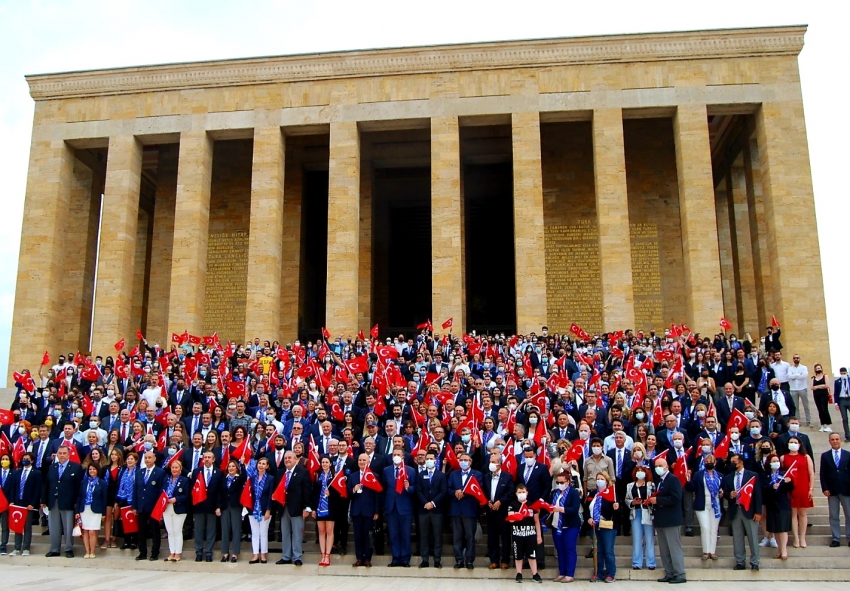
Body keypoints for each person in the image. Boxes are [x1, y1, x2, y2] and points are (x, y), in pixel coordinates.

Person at [722, 452, 763, 570]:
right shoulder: (728, 477)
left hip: (749, 510)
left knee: (752, 537)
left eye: (734, 462)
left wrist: (758, 511)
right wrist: (729, 494)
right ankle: (740, 561)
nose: (732, 464)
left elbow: (757, 495)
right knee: (737, 537)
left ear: (741, 462)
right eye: (731, 462)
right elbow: (724, 492)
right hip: (735, 509)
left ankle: (755, 561)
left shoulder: (752, 475)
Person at [649, 457, 686, 583]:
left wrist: (658, 500)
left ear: (666, 466)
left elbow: (676, 497)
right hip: (661, 519)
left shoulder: (673, 479)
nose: (658, 468)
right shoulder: (660, 481)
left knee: (674, 548)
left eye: (660, 465)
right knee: (664, 550)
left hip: (671, 520)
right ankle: (669, 572)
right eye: (656, 466)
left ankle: (679, 573)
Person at [42, 445, 83, 558]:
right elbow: (47, 484)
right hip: (53, 500)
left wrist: (77, 502)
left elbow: (79, 486)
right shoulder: (52, 467)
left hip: (68, 502)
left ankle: (69, 549)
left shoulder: (76, 467)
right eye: (60, 453)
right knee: (54, 526)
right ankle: (54, 549)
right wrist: (44, 500)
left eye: (64, 453)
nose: (62, 455)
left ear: (69, 454)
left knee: (68, 526)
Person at [274, 450, 311, 566]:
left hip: (297, 508)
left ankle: (297, 557)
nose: (287, 460)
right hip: (283, 507)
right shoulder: (280, 473)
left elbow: (307, 491)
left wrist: (306, 507)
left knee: (297, 533)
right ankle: (286, 556)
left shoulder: (303, 472)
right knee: (285, 533)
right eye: (285, 458)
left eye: (290, 458)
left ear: (296, 459)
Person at [447, 452, 483, 569]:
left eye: (466, 460)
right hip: (456, 509)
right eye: (461, 459)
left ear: (470, 462)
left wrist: (464, 493)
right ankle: (459, 560)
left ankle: (469, 560)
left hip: (470, 509)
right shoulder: (453, 474)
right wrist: (454, 492)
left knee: (470, 536)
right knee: (457, 537)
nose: (463, 462)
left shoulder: (477, 474)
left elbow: (479, 489)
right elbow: (448, 488)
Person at [686, 453, 722, 561]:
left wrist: (722, 491)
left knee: (714, 529)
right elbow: (691, 487)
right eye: (707, 462)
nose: (709, 463)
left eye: (711, 462)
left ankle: (712, 551)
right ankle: (706, 551)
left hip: (715, 504)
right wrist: (688, 480)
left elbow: (723, 487)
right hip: (702, 503)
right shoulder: (698, 474)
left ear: (715, 463)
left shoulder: (720, 475)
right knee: (705, 527)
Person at [483, 451, 514, 570]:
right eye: (490, 462)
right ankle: (494, 560)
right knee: (492, 537)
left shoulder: (507, 477)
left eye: (493, 462)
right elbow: (483, 491)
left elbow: (511, 493)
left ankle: (505, 560)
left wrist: (500, 501)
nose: (491, 464)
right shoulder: (486, 476)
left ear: (499, 464)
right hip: (491, 511)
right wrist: (488, 501)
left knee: (505, 537)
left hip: (503, 511)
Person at [132, 450, 166, 561]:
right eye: (146, 458)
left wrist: (159, 507)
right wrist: (134, 506)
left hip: (154, 507)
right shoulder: (139, 472)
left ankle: (155, 553)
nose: (147, 460)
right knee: (141, 530)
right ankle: (142, 552)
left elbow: (162, 490)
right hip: (141, 506)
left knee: (154, 530)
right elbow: (136, 490)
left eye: (149, 457)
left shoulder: (160, 472)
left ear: (154, 459)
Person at [781, 435, 814, 548]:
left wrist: (811, 488)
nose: (793, 444)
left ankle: (802, 538)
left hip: (803, 487)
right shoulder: (783, 458)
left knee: (803, 514)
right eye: (791, 442)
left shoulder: (806, 457)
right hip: (790, 489)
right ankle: (795, 538)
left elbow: (811, 473)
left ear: (800, 445)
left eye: (795, 442)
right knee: (793, 514)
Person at [416, 449, 447, 568]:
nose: (429, 460)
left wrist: (433, 503)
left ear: (435, 460)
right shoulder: (420, 474)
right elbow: (418, 491)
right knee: (423, 535)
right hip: (423, 510)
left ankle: (437, 559)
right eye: (427, 458)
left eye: (431, 459)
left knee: (437, 535)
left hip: (437, 510)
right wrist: (425, 503)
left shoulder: (441, 475)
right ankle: (425, 559)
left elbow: (443, 492)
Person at [348, 453, 381, 566]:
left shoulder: (374, 476)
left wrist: (376, 511)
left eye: (364, 460)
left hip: (369, 510)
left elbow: (377, 495)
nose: (361, 462)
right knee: (358, 536)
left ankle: (367, 558)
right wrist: (353, 489)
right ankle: (359, 558)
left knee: (368, 535)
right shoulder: (353, 476)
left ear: (368, 462)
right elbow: (348, 494)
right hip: (356, 511)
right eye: (360, 460)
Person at [507, 482, 543, 583]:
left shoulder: (532, 505)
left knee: (532, 555)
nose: (521, 493)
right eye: (519, 492)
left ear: (527, 493)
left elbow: (536, 521)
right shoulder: (512, 505)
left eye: (523, 492)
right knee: (518, 555)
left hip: (530, 534)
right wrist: (520, 513)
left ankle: (535, 574)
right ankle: (519, 573)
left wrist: (539, 536)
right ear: (516, 493)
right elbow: (511, 519)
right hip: (517, 534)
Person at [550, 469, 581, 582]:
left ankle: (570, 574)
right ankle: (562, 572)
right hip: (556, 525)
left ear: (568, 482)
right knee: (560, 549)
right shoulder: (555, 493)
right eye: (558, 482)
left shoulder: (573, 493)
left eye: (562, 482)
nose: (560, 484)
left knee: (569, 549)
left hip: (570, 525)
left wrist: (561, 509)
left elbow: (574, 509)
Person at [820, 432, 850, 547]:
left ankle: (849, 537)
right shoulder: (825, 455)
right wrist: (825, 488)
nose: (835, 441)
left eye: (837, 439)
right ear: (829, 441)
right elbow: (823, 473)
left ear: (840, 440)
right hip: (832, 490)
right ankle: (836, 538)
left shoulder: (848, 455)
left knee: (849, 514)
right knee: (833, 515)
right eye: (832, 439)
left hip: (846, 489)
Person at [8, 452, 41, 556]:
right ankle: (17, 548)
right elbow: (13, 487)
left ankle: (26, 548)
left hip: (28, 505)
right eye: (23, 458)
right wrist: (12, 501)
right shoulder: (17, 472)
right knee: (18, 526)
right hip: (17, 503)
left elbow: (37, 490)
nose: (24, 460)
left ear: (31, 460)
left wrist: (33, 503)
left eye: (27, 458)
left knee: (27, 527)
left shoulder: (36, 473)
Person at [191, 450, 222, 562]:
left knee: (211, 530)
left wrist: (218, 506)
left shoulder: (218, 473)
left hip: (212, 505)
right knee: (198, 530)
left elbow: (220, 491)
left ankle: (209, 552)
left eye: (209, 457)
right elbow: (192, 489)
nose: (207, 459)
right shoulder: (196, 472)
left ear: (213, 459)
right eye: (205, 457)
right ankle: (199, 552)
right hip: (199, 505)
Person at [588, 472, 618, 583]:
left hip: (607, 525)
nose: (599, 480)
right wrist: (588, 518)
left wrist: (616, 508)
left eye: (602, 478)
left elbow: (616, 511)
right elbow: (587, 508)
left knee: (608, 551)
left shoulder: (612, 493)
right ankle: (598, 573)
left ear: (606, 481)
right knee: (598, 551)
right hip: (595, 526)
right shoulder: (592, 493)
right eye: (598, 478)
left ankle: (611, 574)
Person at [625, 464, 656, 570]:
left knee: (649, 538)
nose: (639, 472)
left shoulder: (651, 485)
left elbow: (654, 497)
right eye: (637, 470)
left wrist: (649, 501)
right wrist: (632, 502)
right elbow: (626, 499)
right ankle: (637, 562)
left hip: (647, 512)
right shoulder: (630, 485)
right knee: (637, 538)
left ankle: (651, 562)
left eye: (642, 470)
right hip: (635, 512)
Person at [762, 453, 792, 560]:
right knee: (776, 529)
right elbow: (763, 489)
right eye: (773, 461)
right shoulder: (765, 475)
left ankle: (784, 551)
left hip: (783, 504)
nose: (776, 463)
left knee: (783, 528)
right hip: (771, 504)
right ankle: (779, 550)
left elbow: (791, 488)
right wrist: (771, 487)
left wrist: (789, 482)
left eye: (777, 461)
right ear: (769, 463)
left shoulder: (784, 474)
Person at [76, 463, 108, 559]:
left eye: (94, 469)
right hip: (84, 509)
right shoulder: (84, 482)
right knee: (85, 531)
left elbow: (104, 499)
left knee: (92, 532)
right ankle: (87, 551)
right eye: (90, 469)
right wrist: (77, 511)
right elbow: (80, 497)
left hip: (96, 510)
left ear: (97, 471)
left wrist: (104, 513)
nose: (92, 471)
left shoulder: (102, 483)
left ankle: (92, 551)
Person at [161, 459, 190, 561]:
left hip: (179, 508)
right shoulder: (166, 479)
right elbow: (161, 492)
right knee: (170, 531)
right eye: (172, 467)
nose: (174, 469)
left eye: (176, 467)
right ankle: (171, 552)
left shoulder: (184, 480)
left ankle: (177, 553)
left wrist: (176, 499)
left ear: (180, 469)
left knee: (177, 531)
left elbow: (186, 496)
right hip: (166, 508)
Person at [246, 457, 274, 564]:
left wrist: (268, 510)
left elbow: (271, 495)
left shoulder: (270, 479)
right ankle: (255, 555)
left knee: (263, 532)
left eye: (263, 464)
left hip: (264, 509)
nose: (261, 465)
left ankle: (263, 554)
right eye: (259, 463)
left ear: (267, 466)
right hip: (253, 509)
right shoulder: (252, 478)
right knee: (255, 533)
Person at [218, 459, 246, 562]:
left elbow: (244, 476)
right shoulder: (223, 479)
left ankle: (235, 553)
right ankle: (225, 553)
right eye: (229, 466)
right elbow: (220, 493)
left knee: (236, 529)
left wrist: (242, 464)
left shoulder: (239, 479)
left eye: (233, 466)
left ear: (236, 468)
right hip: (225, 506)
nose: (231, 468)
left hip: (235, 506)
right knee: (225, 530)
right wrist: (218, 506)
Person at [312, 456, 336, 566]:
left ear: (330, 464)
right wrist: (313, 509)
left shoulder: (334, 477)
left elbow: (339, 494)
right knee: (321, 531)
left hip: (330, 507)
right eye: (323, 462)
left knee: (329, 531)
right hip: (319, 507)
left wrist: (331, 494)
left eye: (327, 462)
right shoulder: (318, 477)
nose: (325, 464)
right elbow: (314, 493)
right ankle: (322, 554)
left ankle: (328, 555)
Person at [114, 451, 138, 550]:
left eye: (132, 459)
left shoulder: (139, 471)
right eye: (128, 459)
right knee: (125, 521)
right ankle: (126, 541)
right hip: (122, 499)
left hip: (134, 499)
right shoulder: (123, 471)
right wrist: (116, 500)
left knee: (134, 521)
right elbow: (119, 485)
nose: (129, 461)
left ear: (136, 461)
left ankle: (134, 541)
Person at [811, 363, 833, 432]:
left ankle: (829, 425)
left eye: (819, 368)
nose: (818, 369)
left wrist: (817, 387)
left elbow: (827, 385)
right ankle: (823, 425)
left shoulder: (825, 376)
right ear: (815, 370)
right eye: (817, 368)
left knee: (824, 409)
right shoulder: (813, 378)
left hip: (824, 394)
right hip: (816, 395)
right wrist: (820, 386)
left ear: (821, 369)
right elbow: (812, 387)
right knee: (819, 410)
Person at [834, 368, 850, 442]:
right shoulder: (837, 381)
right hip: (842, 400)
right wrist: (836, 403)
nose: (843, 374)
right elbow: (836, 393)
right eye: (842, 373)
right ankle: (848, 436)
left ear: (847, 372)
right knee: (845, 418)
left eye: (844, 373)